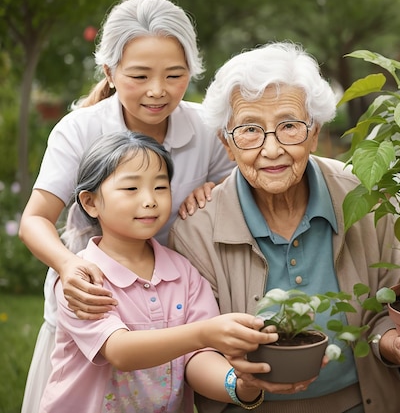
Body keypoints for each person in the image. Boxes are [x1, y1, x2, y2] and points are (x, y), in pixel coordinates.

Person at [166, 41, 400, 413]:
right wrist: (239, 384)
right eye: (249, 130)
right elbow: (196, 348)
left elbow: (392, 303)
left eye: (289, 126)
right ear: (227, 144)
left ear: (315, 131)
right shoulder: (196, 229)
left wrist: (394, 345)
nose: (271, 149)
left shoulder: (366, 197)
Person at [18, 0, 234, 411]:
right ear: (110, 72)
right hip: (97, 312)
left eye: (175, 75)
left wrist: (214, 192)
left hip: (174, 311)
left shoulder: (206, 128)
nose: (158, 90)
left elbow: (239, 193)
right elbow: (35, 219)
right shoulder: (81, 129)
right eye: (139, 75)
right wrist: (69, 266)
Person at [39, 132, 276, 412]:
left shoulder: (183, 272)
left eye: (161, 187)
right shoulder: (81, 282)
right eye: (131, 189)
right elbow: (120, 351)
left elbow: (198, 357)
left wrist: (237, 385)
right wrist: (204, 333)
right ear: (91, 202)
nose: (150, 200)